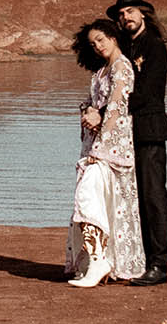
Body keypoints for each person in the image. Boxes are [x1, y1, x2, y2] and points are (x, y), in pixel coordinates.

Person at [63, 18, 146, 288]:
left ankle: (100, 261)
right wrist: (88, 111)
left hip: (112, 149)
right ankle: (98, 261)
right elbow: (95, 104)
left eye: (101, 39)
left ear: (113, 37)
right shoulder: (101, 70)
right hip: (96, 146)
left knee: (88, 198)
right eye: (92, 43)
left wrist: (100, 147)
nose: (98, 46)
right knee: (97, 202)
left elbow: (118, 108)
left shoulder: (122, 67)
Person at [108, 0, 167, 286]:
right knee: (130, 199)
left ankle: (158, 265)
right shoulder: (122, 47)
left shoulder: (155, 46)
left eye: (130, 12)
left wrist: (111, 109)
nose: (125, 17)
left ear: (143, 13)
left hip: (149, 130)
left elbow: (148, 93)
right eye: (121, 14)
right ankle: (136, 260)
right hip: (124, 135)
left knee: (153, 198)